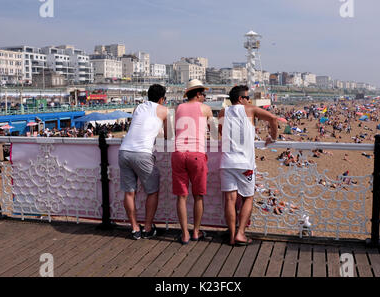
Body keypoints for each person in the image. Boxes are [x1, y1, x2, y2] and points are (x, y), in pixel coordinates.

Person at [218, 85, 278, 246]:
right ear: (240, 99)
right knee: (248, 198)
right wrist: (272, 138)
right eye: (247, 97)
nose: (249, 100)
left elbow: (220, 132)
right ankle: (240, 233)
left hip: (226, 162)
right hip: (245, 163)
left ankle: (231, 236)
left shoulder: (223, 112)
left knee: (230, 200)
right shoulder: (250, 110)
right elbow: (273, 119)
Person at [118, 84, 168, 240]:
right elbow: (168, 136)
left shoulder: (138, 107)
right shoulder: (164, 110)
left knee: (129, 192)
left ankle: (134, 228)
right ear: (162, 99)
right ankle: (147, 227)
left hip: (124, 151)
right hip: (143, 153)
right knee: (152, 191)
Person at [172, 79, 213, 244]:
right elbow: (216, 134)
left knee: (181, 197)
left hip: (178, 153)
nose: (204, 97)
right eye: (204, 94)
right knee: (198, 196)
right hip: (196, 154)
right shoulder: (205, 108)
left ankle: (184, 234)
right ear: (198, 93)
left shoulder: (178, 108)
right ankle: (196, 231)